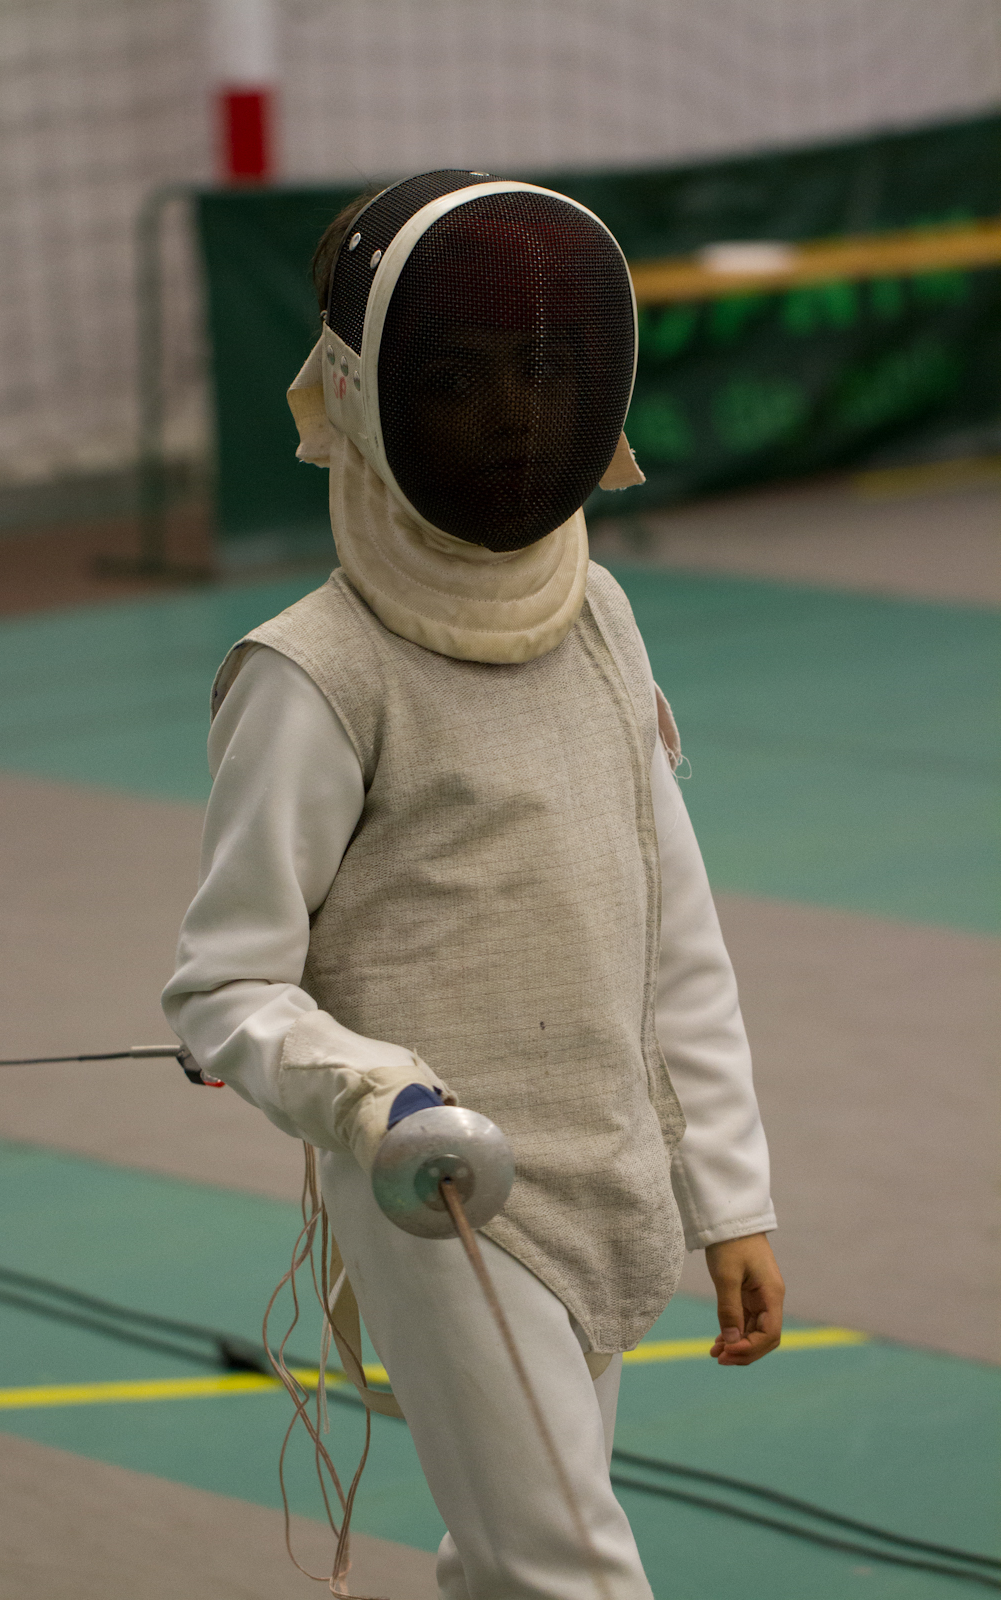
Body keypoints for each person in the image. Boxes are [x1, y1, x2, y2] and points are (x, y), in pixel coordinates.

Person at [163, 170, 784, 1600]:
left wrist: (729, 1196)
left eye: (543, 370)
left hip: (610, 1160)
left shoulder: (600, 617)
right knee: (565, 1570)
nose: (511, 416)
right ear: (364, 397)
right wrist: (371, 1096)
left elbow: (673, 930)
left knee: (508, 1571)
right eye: (458, 379)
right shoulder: (317, 674)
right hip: (441, 1196)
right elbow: (225, 988)